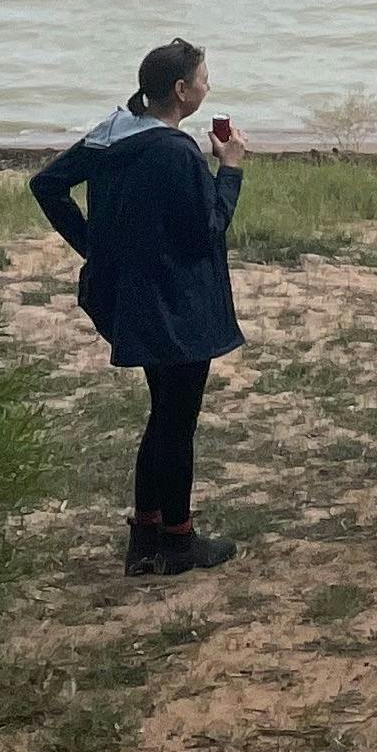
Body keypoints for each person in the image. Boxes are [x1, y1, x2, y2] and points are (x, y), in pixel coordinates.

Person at [28, 37, 247, 576]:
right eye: (202, 78)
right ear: (180, 90)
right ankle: (178, 540)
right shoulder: (177, 154)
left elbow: (48, 184)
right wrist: (232, 170)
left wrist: (98, 249)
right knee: (177, 420)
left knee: (163, 416)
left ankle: (146, 538)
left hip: (132, 296)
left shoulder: (112, 135)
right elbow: (209, 231)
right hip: (177, 304)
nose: (207, 86)